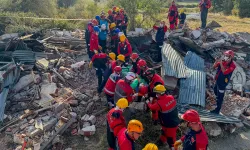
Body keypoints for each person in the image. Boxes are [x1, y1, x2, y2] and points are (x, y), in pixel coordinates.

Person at [146, 85, 179, 149]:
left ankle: (173, 148)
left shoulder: (159, 103)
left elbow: (152, 107)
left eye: (156, 93)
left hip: (169, 125)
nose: (156, 94)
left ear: (159, 94)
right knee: (164, 132)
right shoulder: (171, 97)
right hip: (173, 120)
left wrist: (148, 102)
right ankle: (162, 141)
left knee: (171, 139)